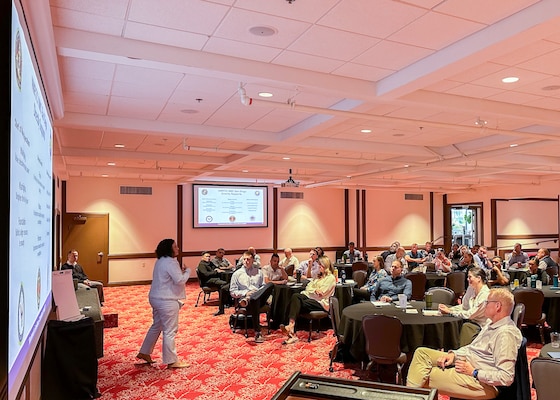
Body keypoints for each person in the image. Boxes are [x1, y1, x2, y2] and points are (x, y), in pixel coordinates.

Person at [407, 288, 523, 399]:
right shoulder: (490, 324)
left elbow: (506, 377)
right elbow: (471, 348)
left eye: (487, 302)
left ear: (497, 306)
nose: (484, 305)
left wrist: (474, 372)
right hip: (467, 364)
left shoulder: (505, 334)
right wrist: (453, 355)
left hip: (482, 383)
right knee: (421, 353)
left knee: (423, 374)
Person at [137, 238, 191, 368]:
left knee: (157, 326)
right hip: (166, 300)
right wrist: (188, 271)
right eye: (175, 246)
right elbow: (179, 280)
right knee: (170, 330)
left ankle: (144, 352)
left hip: (155, 298)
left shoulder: (160, 261)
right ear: (169, 249)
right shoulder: (171, 262)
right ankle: (172, 361)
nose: (178, 248)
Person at [280, 256, 336, 344]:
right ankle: (291, 327)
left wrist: (314, 291)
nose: (318, 267)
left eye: (320, 265)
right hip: (311, 299)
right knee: (295, 296)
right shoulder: (318, 277)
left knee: (296, 302)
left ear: (325, 266)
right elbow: (308, 288)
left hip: (321, 303)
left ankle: (291, 330)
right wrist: (314, 290)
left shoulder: (331, 278)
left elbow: (321, 294)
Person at [229, 251, 274, 343]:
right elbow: (232, 292)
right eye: (244, 259)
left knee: (270, 285)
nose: (246, 261)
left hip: (259, 297)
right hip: (245, 301)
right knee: (254, 300)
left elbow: (262, 286)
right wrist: (246, 293)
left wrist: (256, 292)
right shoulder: (236, 274)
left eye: (248, 259)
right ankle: (258, 332)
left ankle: (253, 297)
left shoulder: (259, 272)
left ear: (253, 260)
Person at [197, 251, 229, 316]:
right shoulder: (201, 265)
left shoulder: (210, 263)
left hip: (214, 279)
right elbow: (206, 274)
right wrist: (215, 272)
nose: (208, 258)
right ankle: (224, 303)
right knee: (224, 285)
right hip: (207, 281)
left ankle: (225, 302)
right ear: (202, 257)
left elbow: (216, 268)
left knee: (225, 284)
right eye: (206, 256)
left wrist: (217, 270)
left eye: (209, 256)